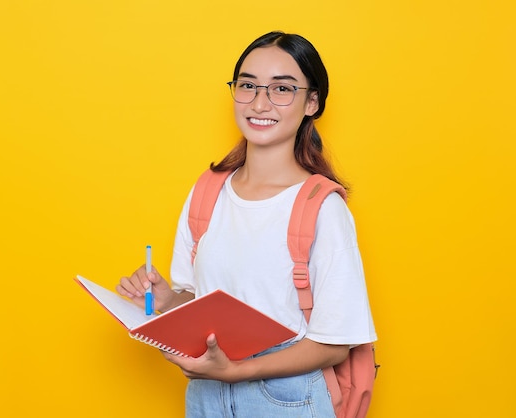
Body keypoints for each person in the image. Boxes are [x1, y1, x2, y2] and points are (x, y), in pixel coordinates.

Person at [116, 31, 376, 417]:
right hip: (205, 394)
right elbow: (199, 300)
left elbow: (335, 343)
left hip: (286, 400)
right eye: (248, 85)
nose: (260, 102)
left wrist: (239, 371)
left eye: (282, 89)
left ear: (312, 102)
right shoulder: (208, 192)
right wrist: (166, 301)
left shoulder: (322, 207)